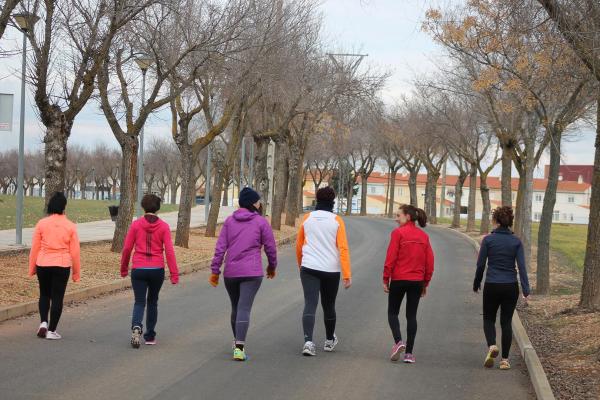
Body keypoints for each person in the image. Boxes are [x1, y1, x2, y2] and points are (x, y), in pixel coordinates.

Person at [209, 187, 277, 362]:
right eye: (258, 200)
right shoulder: (261, 222)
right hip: (252, 272)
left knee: (236, 307)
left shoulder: (229, 222)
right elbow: (270, 247)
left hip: (231, 272)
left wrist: (215, 271)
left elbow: (220, 248)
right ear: (253, 203)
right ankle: (239, 347)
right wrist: (272, 266)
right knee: (244, 307)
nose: (260, 203)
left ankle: (237, 342)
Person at [296, 186, 351, 357]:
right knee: (329, 305)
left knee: (310, 304)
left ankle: (308, 342)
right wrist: (347, 274)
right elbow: (343, 248)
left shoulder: (307, 218)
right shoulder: (337, 220)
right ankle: (329, 340)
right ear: (333, 200)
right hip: (330, 269)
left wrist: (301, 264)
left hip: (309, 267)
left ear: (317, 200)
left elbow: (299, 245)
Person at [473, 206, 530, 370]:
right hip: (510, 286)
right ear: (510, 222)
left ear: (496, 221)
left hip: (492, 285)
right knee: (506, 322)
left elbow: (481, 265)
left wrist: (476, 283)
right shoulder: (516, 241)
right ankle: (505, 360)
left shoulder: (488, 240)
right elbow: (522, 267)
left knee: (489, 319)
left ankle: (492, 345)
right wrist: (526, 290)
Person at [121, 194, 179, 348]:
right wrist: (174, 274)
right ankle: (150, 335)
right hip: (156, 269)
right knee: (152, 301)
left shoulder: (136, 225)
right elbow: (170, 251)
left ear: (143, 206)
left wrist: (123, 268)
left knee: (139, 301)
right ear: (158, 208)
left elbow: (127, 248)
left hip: (139, 268)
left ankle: (136, 327)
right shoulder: (164, 226)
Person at [383, 204, 434, 364]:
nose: (396, 219)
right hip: (416, 281)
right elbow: (430, 262)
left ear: (408, 217)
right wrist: (425, 283)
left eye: (398, 216)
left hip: (398, 279)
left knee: (392, 313)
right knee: (411, 316)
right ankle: (409, 354)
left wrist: (386, 278)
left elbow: (391, 257)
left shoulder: (397, 233)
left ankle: (399, 342)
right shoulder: (423, 236)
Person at [28, 192, 81, 340]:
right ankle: (52, 330)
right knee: (57, 297)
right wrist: (76, 273)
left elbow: (35, 248)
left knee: (44, 294)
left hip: (43, 263)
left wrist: (32, 267)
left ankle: (43, 323)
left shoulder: (41, 223)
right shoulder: (70, 226)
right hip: (61, 264)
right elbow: (75, 252)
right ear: (64, 207)